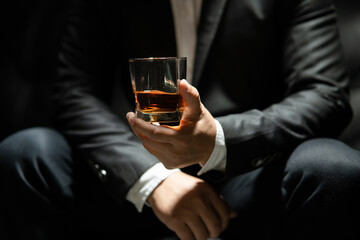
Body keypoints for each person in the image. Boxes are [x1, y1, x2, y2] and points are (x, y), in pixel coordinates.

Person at [1, 0, 360, 239]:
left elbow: (324, 93)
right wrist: (151, 179)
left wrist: (218, 140)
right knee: (26, 152)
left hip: (247, 181)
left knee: (332, 166)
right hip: (129, 184)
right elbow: (74, 93)